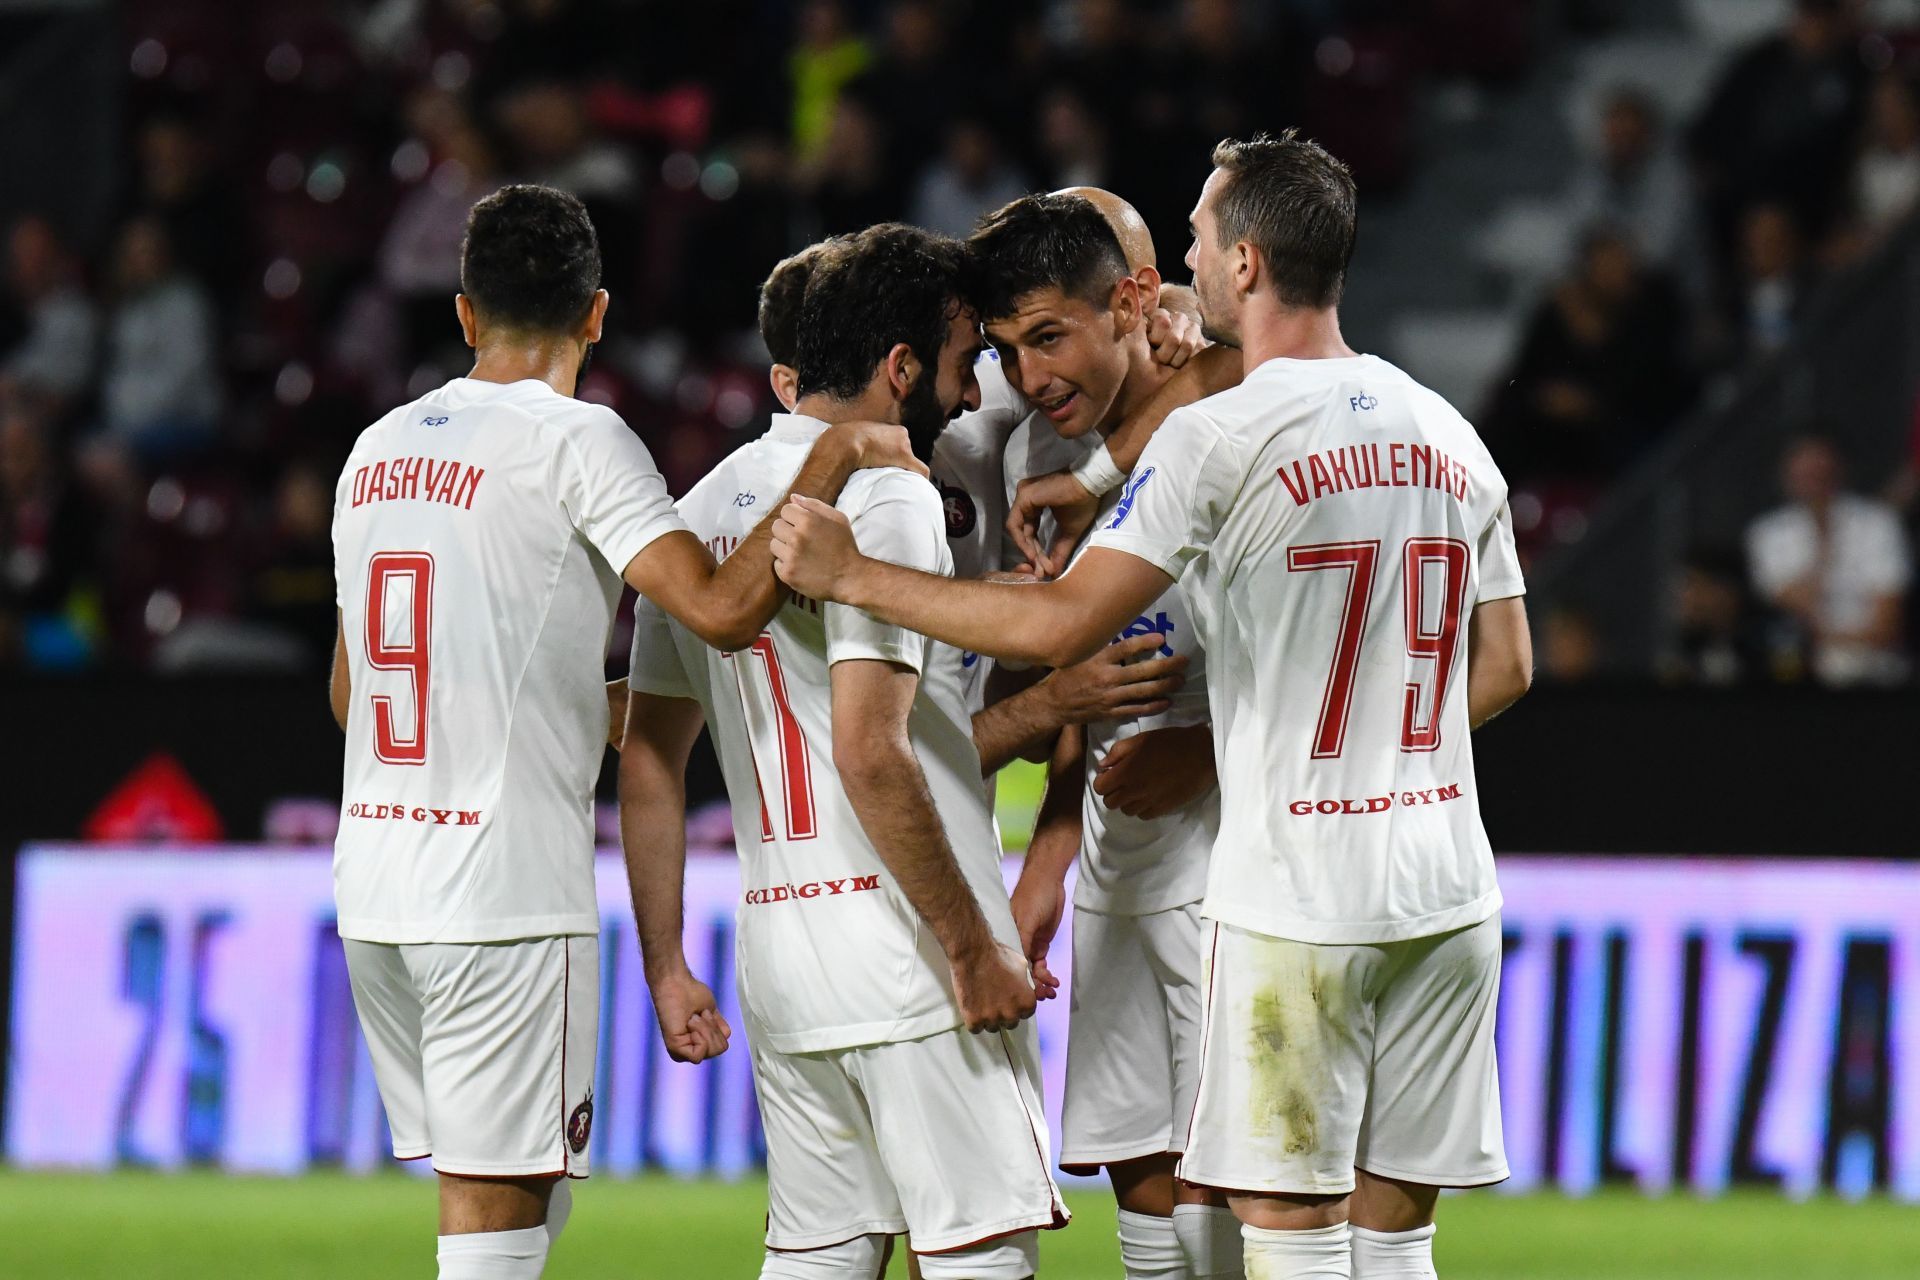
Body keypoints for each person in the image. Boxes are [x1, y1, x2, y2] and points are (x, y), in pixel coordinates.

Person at [772, 131, 1535, 1280]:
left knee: (1280, 1232)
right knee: (1354, 1236)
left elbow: (1058, 625)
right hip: (1408, 875)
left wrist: (854, 575)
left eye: (1195, 242)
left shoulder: (1217, 429)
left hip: (1285, 881)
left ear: (1226, 270)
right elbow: (1507, 665)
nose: (1029, 375)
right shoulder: (1448, 429)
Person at [326, 184, 916, 1280]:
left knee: (515, 1202)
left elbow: (351, 695)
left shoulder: (374, 451)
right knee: (494, 1223)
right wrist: (834, 456)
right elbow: (726, 609)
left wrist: (554, 705)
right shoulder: (580, 439)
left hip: (375, 891)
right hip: (497, 893)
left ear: (463, 315)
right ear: (596, 315)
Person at [619, 224, 1066, 1280]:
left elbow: (647, 754)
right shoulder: (890, 492)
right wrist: (968, 942)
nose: (970, 395)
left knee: (820, 1260)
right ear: (899, 368)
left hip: (783, 958)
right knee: (977, 1256)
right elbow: (871, 750)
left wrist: (667, 958)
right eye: (962, 366)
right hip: (908, 952)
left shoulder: (704, 507)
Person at [969, 191, 1240, 1280]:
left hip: (1236, 853)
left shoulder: (1237, 394)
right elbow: (1090, 681)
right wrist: (1049, 859)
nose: (1032, 374)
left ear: (1139, 299)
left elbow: (1327, 654)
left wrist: (1213, 746)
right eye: (1010, 347)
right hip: (1120, 866)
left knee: (1243, 1186)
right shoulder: (1039, 443)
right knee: (1140, 1172)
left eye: (1048, 337)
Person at [1747, 436, 1910, 686]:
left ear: (1839, 471)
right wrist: (1824, 541)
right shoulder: (1767, 532)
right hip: (1801, 673)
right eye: (1805, 475)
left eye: (1821, 474)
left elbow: (1886, 623)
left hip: (1877, 671)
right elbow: (1794, 612)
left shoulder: (1878, 523)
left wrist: (1834, 638)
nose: (1814, 483)